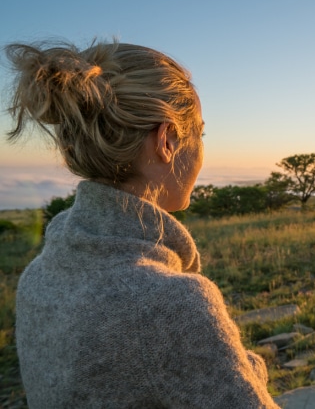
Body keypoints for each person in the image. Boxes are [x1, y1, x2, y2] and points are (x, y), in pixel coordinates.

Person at [4, 40, 279, 408]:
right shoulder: (171, 305)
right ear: (166, 141)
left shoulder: (38, 276)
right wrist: (246, 371)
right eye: (201, 134)